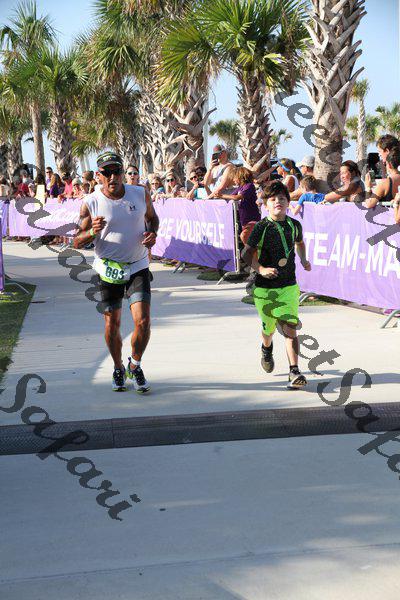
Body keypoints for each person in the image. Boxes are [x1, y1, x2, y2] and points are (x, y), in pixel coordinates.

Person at [73, 151, 159, 393]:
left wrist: (153, 233)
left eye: (117, 171)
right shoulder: (91, 202)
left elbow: (152, 218)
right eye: (107, 172)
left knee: (143, 321)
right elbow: (76, 241)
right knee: (113, 323)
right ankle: (118, 367)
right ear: (98, 175)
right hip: (108, 269)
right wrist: (92, 232)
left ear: (123, 172)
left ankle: (135, 364)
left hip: (138, 265)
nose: (113, 177)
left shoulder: (140, 193)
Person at [242, 180, 311, 389]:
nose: (278, 202)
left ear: (288, 202)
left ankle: (294, 371)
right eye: (272, 199)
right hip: (265, 289)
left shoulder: (294, 225)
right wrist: (261, 269)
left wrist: (304, 259)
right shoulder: (261, 227)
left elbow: (300, 243)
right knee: (269, 329)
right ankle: (266, 348)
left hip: (289, 286)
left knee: (290, 328)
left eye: (282, 198)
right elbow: (246, 254)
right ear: (266, 205)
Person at [217, 167, 261, 243]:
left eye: (234, 178)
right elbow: (231, 196)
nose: (233, 180)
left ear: (240, 177)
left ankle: (252, 251)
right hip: (244, 219)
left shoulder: (249, 186)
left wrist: (221, 195)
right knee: (248, 240)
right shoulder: (240, 187)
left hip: (252, 218)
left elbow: (237, 197)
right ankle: (252, 251)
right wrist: (217, 196)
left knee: (244, 236)